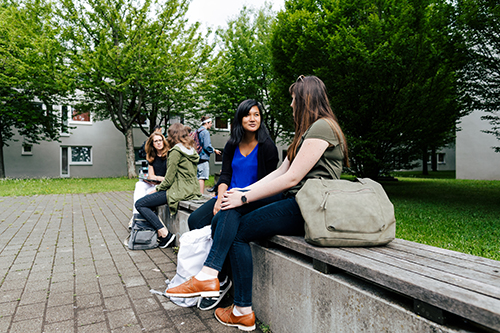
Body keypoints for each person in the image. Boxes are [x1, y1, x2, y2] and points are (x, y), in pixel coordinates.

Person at [165, 75, 350, 331]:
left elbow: (292, 178)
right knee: (229, 212)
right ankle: (221, 288)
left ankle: (232, 299)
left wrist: (243, 196)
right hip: (296, 201)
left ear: (306, 99)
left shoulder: (323, 127)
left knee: (237, 228)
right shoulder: (306, 132)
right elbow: (280, 173)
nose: (291, 105)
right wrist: (240, 192)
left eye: (294, 99)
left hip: (311, 208)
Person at [187, 99, 279, 311]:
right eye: (248, 115)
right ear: (240, 118)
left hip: (251, 200)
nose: (252, 119)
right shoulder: (231, 144)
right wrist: (220, 198)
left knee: (222, 221)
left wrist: (240, 198)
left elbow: (268, 184)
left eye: (256, 114)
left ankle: (221, 278)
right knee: (195, 219)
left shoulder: (267, 147)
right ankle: (211, 272)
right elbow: (225, 175)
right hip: (227, 196)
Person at [135, 123, 202, 248]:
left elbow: (169, 180)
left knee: (140, 203)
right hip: (192, 189)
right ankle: (160, 232)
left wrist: (155, 190)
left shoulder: (175, 151)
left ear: (172, 136)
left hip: (179, 190)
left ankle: (166, 235)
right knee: (150, 203)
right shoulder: (190, 149)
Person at [129, 132, 169, 228]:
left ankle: (140, 216)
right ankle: (136, 215)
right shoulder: (151, 156)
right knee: (139, 185)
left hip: (163, 185)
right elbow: (151, 176)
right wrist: (153, 178)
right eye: (156, 141)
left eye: (160, 140)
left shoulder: (169, 155)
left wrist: (156, 177)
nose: (159, 143)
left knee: (148, 192)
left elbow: (167, 178)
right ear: (152, 144)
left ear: (164, 141)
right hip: (153, 182)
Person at [196, 116, 221, 194]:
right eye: (210, 123)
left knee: (197, 177)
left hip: (197, 157)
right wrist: (214, 150)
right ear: (206, 123)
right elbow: (207, 146)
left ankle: (196, 194)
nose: (211, 125)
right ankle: (201, 195)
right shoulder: (205, 132)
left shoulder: (198, 131)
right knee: (202, 178)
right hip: (203, 157)